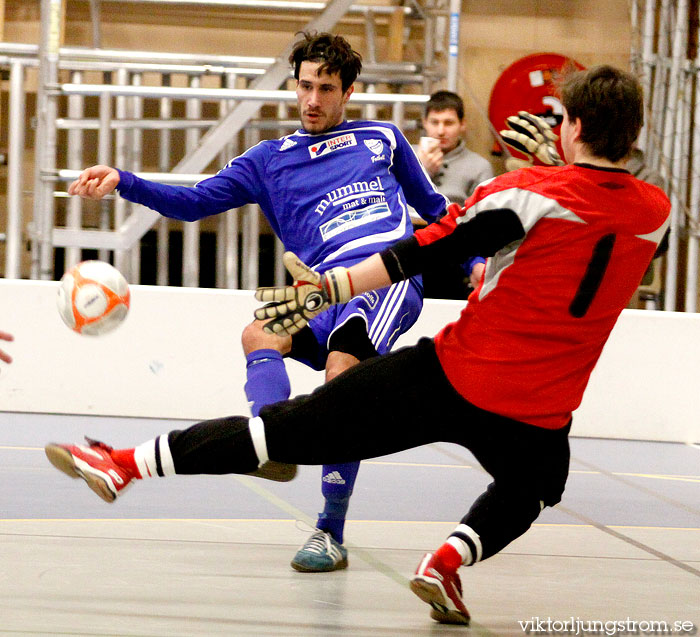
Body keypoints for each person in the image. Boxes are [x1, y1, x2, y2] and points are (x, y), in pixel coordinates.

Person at [46, 65, 670, 625]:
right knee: (534, 488)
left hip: (454, 370)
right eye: (305, 85)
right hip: (540, 405)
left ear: (575, 124)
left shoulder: (516, 190)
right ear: (636, 132)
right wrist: (562, 169)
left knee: (303, 417)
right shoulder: (656, 212)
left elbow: (438, 242)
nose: (312, 97)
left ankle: (132, 465)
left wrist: (337, 283)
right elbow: (598, 219)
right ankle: (444, 562)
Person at [65, 32, 475, 573]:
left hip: (383, 273)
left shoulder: (383, 138)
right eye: (304, 86)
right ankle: (272, 444)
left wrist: (470, 262)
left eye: (325, 88)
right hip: (317, 287)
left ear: (347, 91)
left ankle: (330, 531)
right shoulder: (269, 159)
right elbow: (193, 203)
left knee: (342, 372)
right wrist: (125, 180)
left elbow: (438, 210)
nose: (312, 99)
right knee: (258, 335)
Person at [413, 91, 494, 298]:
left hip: (453, 252)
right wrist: (421, 171)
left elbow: (481, 224)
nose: (441, 131)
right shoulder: (407, 157)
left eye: (448, 123)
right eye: (435, 122)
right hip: (409, 243)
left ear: (462, 125)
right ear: (425, 123)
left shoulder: (478, 166)